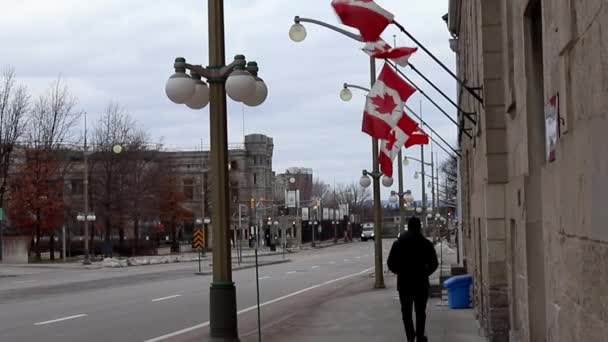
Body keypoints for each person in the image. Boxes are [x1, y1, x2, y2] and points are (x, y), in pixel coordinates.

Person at [387, 216, 438, 342]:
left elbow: (390, 263)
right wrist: (425, 273)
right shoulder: (425, 243)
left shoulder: (398, 243)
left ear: (408, 227)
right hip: (421, 283)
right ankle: (420, 336)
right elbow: (434, 263)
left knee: (406, 313)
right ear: (419, 227)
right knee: (420, 312)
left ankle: (410, 337)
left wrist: (400, 272)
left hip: (404, 283)